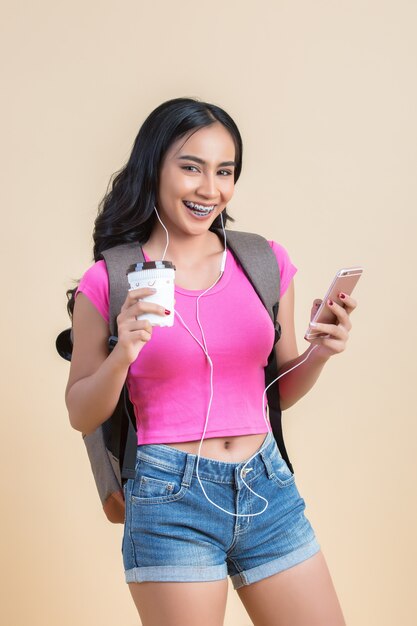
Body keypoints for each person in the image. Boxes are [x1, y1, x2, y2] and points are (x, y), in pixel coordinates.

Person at [66, 97, 355, 626]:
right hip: (168, 499)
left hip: (267, 486)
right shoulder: (110, 279)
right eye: (191, 167)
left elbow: (279, 390)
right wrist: (122, 353)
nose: (209, 189)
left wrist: (320, 353)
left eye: (225, 172)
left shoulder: (263, 261)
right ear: (154, 167)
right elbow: (81, 412)